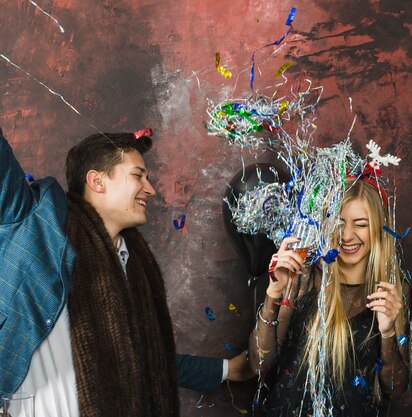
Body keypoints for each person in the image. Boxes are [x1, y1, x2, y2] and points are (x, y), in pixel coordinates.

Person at [0, 127, 252, 417]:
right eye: (137, 176)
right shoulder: (34, 223)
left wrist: (225, 370)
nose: (150, 188)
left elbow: (145, 358)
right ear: (97, 181)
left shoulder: (131, 263)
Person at [249, 178, 409, 417]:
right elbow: (259, 365)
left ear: (378, 228)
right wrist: (273, 294)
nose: (346, 235)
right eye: (338, 222)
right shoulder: (302, 278)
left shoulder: (392, 291)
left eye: (361, 224)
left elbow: (394, 391)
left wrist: (387, 334)